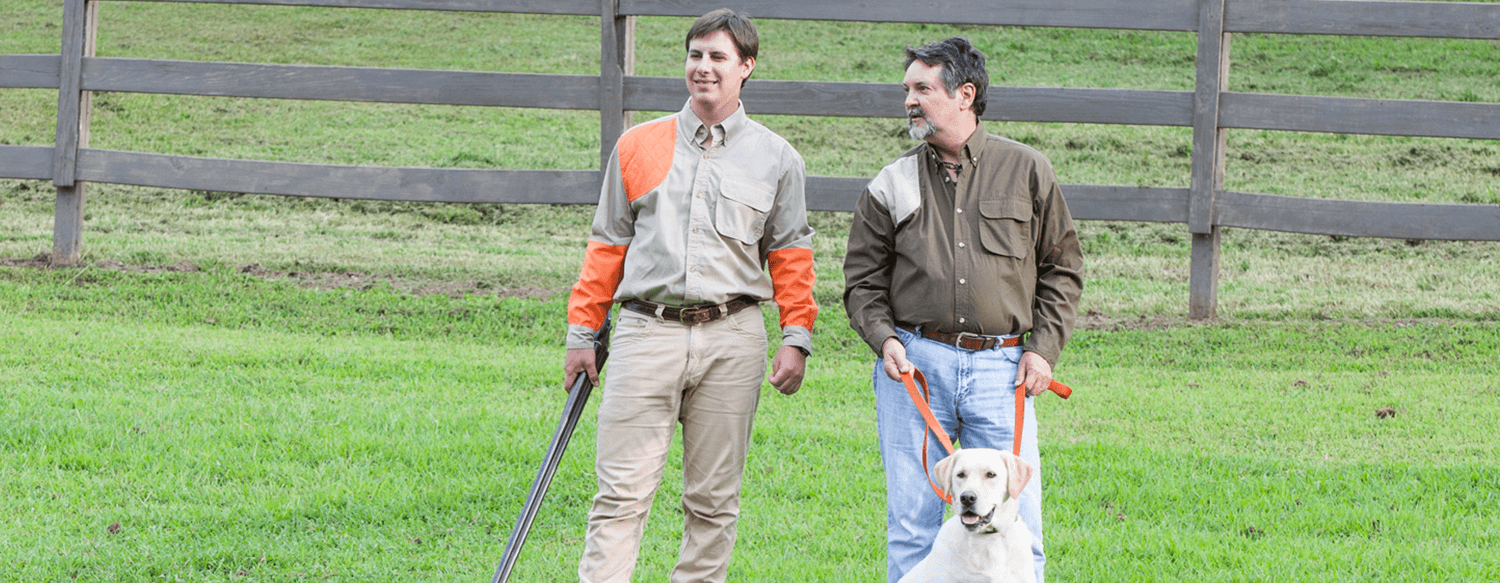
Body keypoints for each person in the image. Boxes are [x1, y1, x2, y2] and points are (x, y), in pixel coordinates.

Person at [562, 8, 818, 583]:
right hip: (644, 334)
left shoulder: (777, 158)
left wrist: (796, 336)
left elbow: (791, 255)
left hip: (733, 339)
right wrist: (582, 332)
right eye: (695, 55)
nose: (703, 67)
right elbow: (606, 246)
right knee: (620, 495)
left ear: (746, 67)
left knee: (713, 503)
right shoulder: (638, 145)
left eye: (718, 57)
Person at [842, 36, 1084, 583]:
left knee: (1018, 522)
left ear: (965, 95)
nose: (909, 100)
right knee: (913, 522)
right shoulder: (891, 181)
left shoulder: (1027, 170)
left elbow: (1062, 268)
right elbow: (862, 280)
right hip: (915, 366)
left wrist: (1043, 351)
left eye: (922, 89)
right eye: (907, 89)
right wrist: (885, 339)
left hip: (1004, 369)